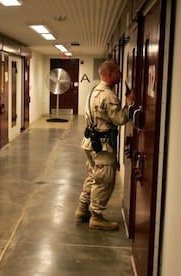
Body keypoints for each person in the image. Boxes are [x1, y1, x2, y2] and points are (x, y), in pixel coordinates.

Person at [74, 60, 134, 231]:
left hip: (91, 143)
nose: (120, 75)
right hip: (102, 146)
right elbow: (120, 119)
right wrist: (129, 104)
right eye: (118, 72)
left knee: (94, 175)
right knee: (104, 180)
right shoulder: (108, 95)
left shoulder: (94, 90)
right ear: (109, 74)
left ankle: (82, 209)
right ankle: (96, 217)